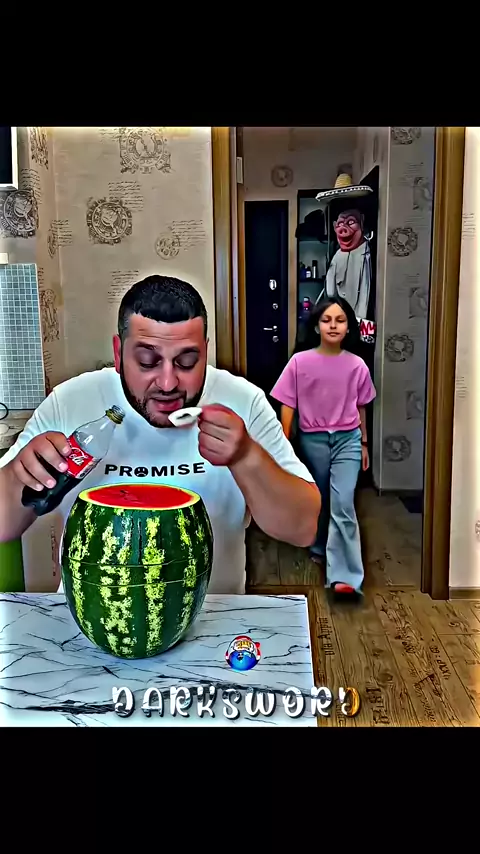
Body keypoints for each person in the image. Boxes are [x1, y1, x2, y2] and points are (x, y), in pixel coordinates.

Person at [0, 275, 320, 595]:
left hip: (214, 616)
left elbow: (303, 528)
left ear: (205, 352)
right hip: (88, 618)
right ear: (118, 353)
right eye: (147, 361)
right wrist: (18, 476)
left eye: (187, 362)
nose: (168, 383)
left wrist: (247, 457)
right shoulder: (70, 402)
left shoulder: (243, 401)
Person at [270, 296, 376, 596]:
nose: (333, 325)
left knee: (343, 503)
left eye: (340, 320)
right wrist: (285, 442)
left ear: (348, 327)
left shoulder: (357, 365)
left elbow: (362, 407)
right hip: (312, 440)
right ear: (317, 326)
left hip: (348, 440)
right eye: (326, 320)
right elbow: (288, 403)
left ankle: (345, 577)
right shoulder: (299, 362)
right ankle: (319, 544)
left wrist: (364, 443)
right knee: (320, 498)